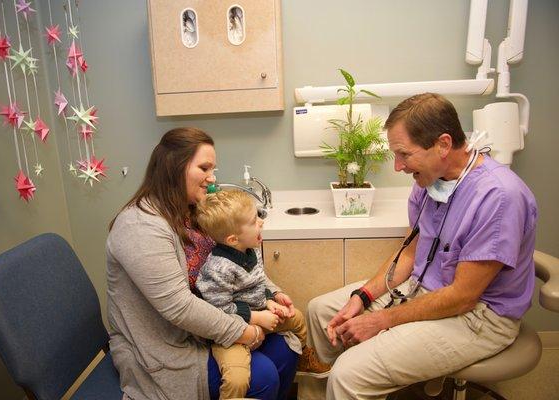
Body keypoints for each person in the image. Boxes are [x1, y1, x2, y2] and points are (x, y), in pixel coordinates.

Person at [306, 93, 538, 399]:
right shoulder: (430, 184)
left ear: (443, 144)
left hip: (478, 315)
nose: (399, 166)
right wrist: (362, 297)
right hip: (424, 288)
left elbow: (462, 298)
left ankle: (347, 386)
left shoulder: (498, 198)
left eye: (404, 154)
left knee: (350, 373)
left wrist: (379, 321)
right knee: (320, 311)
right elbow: (412, 252)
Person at [106, 127, 299, 400]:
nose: (212, 180)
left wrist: (274, 292)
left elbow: (239, 259)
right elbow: (179, 307)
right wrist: (244, 331)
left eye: (213, 170)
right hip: (169, 345)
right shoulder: (140, 227)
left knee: (286, 348)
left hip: (212, 324)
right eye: (205, 168)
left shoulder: (193, 210)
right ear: (175, 167)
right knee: (263, 375)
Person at [195, 190, 331, 399]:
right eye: (253, 221)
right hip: (231, 334)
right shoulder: (218, 268)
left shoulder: (251, 248)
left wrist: (270, 300)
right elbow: (219, 309)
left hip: (258, 316)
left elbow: (256, 282)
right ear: (232, 239)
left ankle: (304, 356)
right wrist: (256, 317)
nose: (261, 222)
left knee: (298, 319)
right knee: (237, 378)